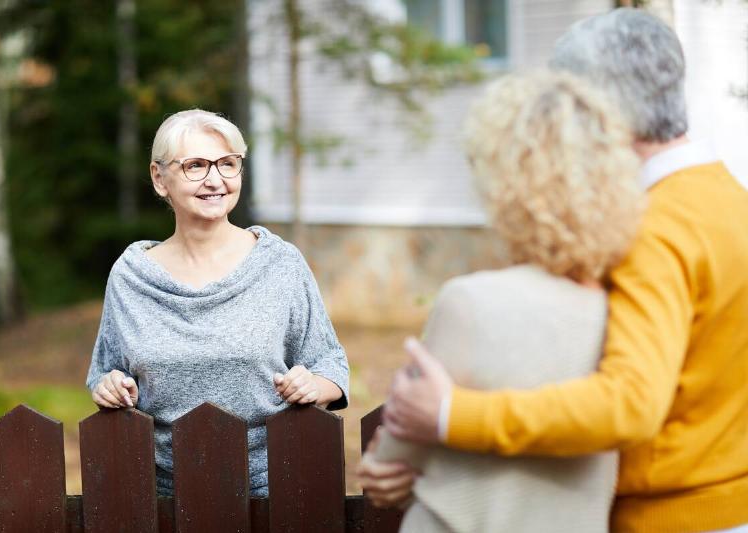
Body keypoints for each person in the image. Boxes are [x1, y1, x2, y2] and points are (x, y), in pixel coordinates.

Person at [362, 8, 748, 533]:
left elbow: (632, 403)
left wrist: (452, 415)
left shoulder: (651, 229)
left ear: (602, 109)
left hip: (670, 519)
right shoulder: (729, 198)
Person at [365, 70, 642, 533]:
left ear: (504, 182)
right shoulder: (630, 311)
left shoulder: (472, 303)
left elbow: (391, 464)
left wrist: (386, 468)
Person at [86, 109, 349, 498]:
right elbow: (105, 373)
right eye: (196, 165)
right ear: (160, 179)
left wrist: (314, 384)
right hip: (160, 495)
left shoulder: (279, 263)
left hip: (273, 490)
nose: (215, 180)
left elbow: (331, 365)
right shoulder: (132, 276)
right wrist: (108, 387)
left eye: (228, 164)